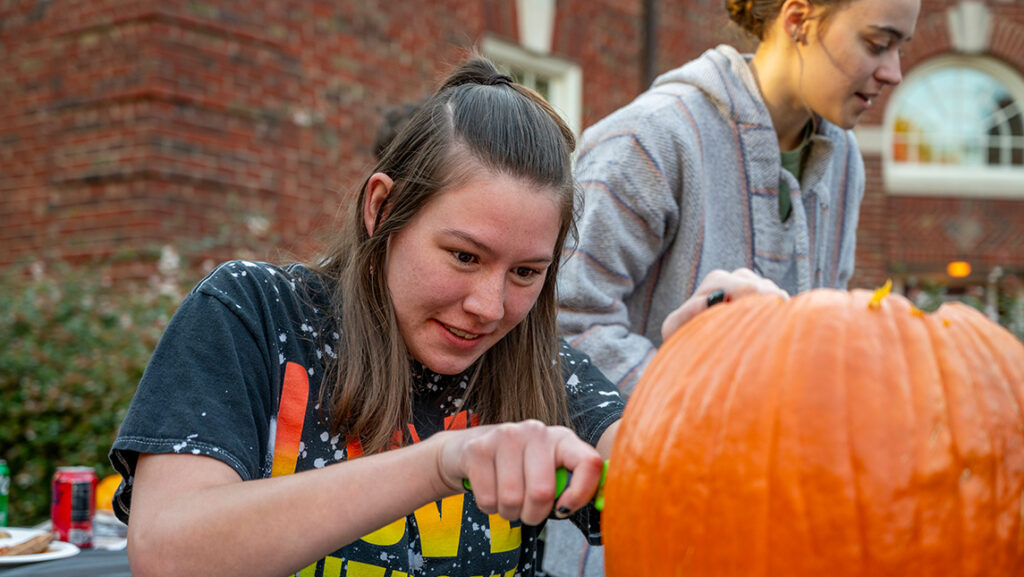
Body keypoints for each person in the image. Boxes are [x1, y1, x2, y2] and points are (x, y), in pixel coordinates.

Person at [109, 56, 627, 577]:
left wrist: (709, 352)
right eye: (464, 256)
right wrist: (440, 463)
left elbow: (678, 484)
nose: (489, 308)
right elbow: (167, 553)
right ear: (382, 208)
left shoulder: (543, 370)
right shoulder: (255, 316)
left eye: (525, 273)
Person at [544, 0, 921, 575]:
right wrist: (722, 411)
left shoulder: (846, 162)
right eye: (876, 43)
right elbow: (559, 328)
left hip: (772, 533)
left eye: (901, 47)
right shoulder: (651, 138)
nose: (894, 70)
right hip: (631, 538)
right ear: (798, 21)